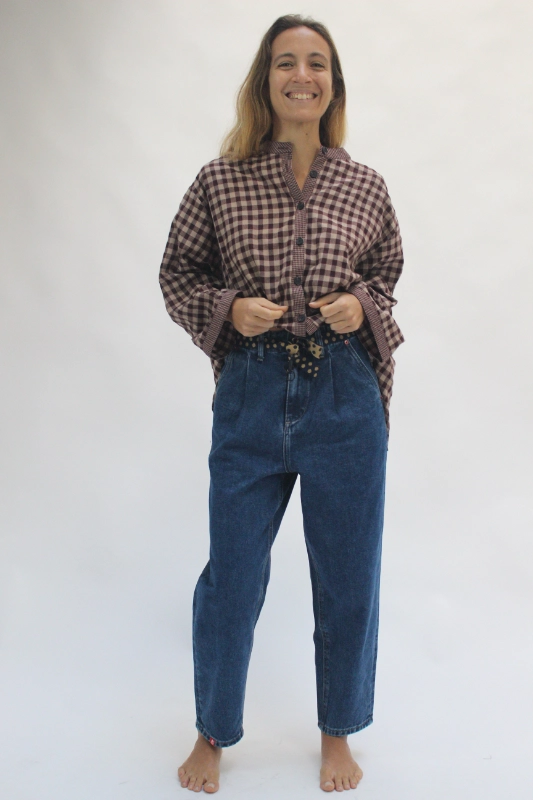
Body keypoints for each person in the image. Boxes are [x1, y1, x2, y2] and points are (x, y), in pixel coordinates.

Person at [159, 14, 404, 794]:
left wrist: (361, 305)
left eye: (317, 63)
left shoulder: (365, 186)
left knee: (347, 576)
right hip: (251, 394)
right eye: (286, 62)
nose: (303, 76)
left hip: (344, 397)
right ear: (263, 82)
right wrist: (228, 309)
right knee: (231, 577)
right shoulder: (218, 181)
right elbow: (178, 273)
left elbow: (387, 275)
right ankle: (212, 731)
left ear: (334, 83)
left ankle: (337, 733)